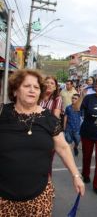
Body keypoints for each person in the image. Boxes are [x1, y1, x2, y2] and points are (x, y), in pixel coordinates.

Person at [0, 69, 85, 216]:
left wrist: (76, 175)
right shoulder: (2, 113)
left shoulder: (49, 119)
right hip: (3, 198)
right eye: (27, 86)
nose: (32, 90)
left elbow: (63, 148)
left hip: (39, 196)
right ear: (15, 91)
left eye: (37, 87)